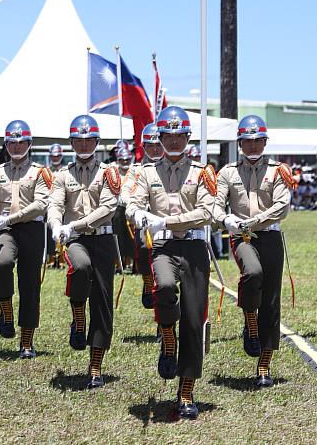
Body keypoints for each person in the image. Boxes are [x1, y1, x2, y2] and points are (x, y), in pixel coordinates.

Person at [128, 106, 216, 419]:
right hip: (163, 248)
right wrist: (140, 215)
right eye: (169, 135)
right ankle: (167, 335)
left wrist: (166, 220)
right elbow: (133, 205)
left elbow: (207, 212)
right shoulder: (146, 173)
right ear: (160, 138)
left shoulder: (203, 172)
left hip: (192, 246)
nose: (174, 141)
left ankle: (187, 390)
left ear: (188, 137)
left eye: (180, 135)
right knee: (163, 287)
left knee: (193, 319)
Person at [213, 115, 293, 386]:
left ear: (265, 142)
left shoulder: (278, 170)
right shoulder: (227, 172)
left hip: (269, 235)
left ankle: (264, 366)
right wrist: (227, 219)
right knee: (253, 273)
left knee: (271, 300)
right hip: (242, 237)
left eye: (258, 141)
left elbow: (283, 205)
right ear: (239, 143)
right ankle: (250, 320)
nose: (253, 146)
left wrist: (255, 220)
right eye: (247, 141)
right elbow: (215, 205)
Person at [48, 115, 120, 388]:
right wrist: (55, 224)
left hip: (101, 239)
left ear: (97, 141)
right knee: (79, 268)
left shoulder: (108, 173)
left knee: (102, 301)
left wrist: (73, 223)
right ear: (71, 143)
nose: (83, 144)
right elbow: (55, 204)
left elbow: (108, 208)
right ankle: (78, 315)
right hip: (75, 239)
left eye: (88, 139)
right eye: (78, 140)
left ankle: (95, 366)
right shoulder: (62, 175)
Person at [0, 120, 51, 357]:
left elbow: (41, 204)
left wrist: (10, 219)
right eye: (12, 143)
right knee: (2, 263)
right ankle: (6, 312)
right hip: (6, 230)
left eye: (21, 143)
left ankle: (27, 341)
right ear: (6, 144)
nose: (17, 147)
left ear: (29, 144)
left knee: (29, 284)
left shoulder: (40, 172)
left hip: (31, 228)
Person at [122, 122, 164, 310]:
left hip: (167, 221)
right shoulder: (136, 169)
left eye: (158, 145)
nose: (155, 149)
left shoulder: (170, 167)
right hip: (145, 221)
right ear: (143, 146)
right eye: (150, 145)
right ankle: (148, 281)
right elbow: (125, 191)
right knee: (143, 250)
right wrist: (135, 205)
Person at [112, 147, 135, 271]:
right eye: (122, 159)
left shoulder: (135, 171)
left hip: (132, 208)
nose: (125, 162)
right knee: (118, 236)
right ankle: (118, 263)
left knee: (131, 237)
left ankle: (131, 263)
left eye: (127, 159)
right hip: (118, 209)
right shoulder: (114, 172)